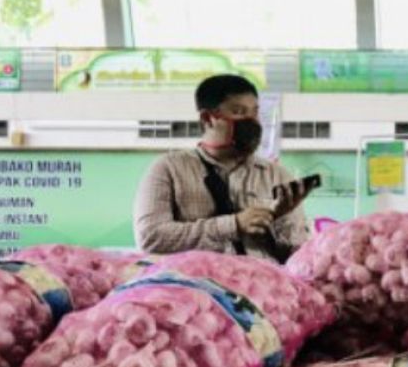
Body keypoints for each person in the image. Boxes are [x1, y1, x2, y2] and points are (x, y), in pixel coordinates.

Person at [134, 74, 313, 261]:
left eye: (254, 113)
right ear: (207, 118)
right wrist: (234, 225)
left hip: (261, 284)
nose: (252, 122)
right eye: (239, 112)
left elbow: (297, 256)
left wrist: (279, 218)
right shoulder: (168, 169)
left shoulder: (277, 175)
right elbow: (150, 238)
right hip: (195, 285)